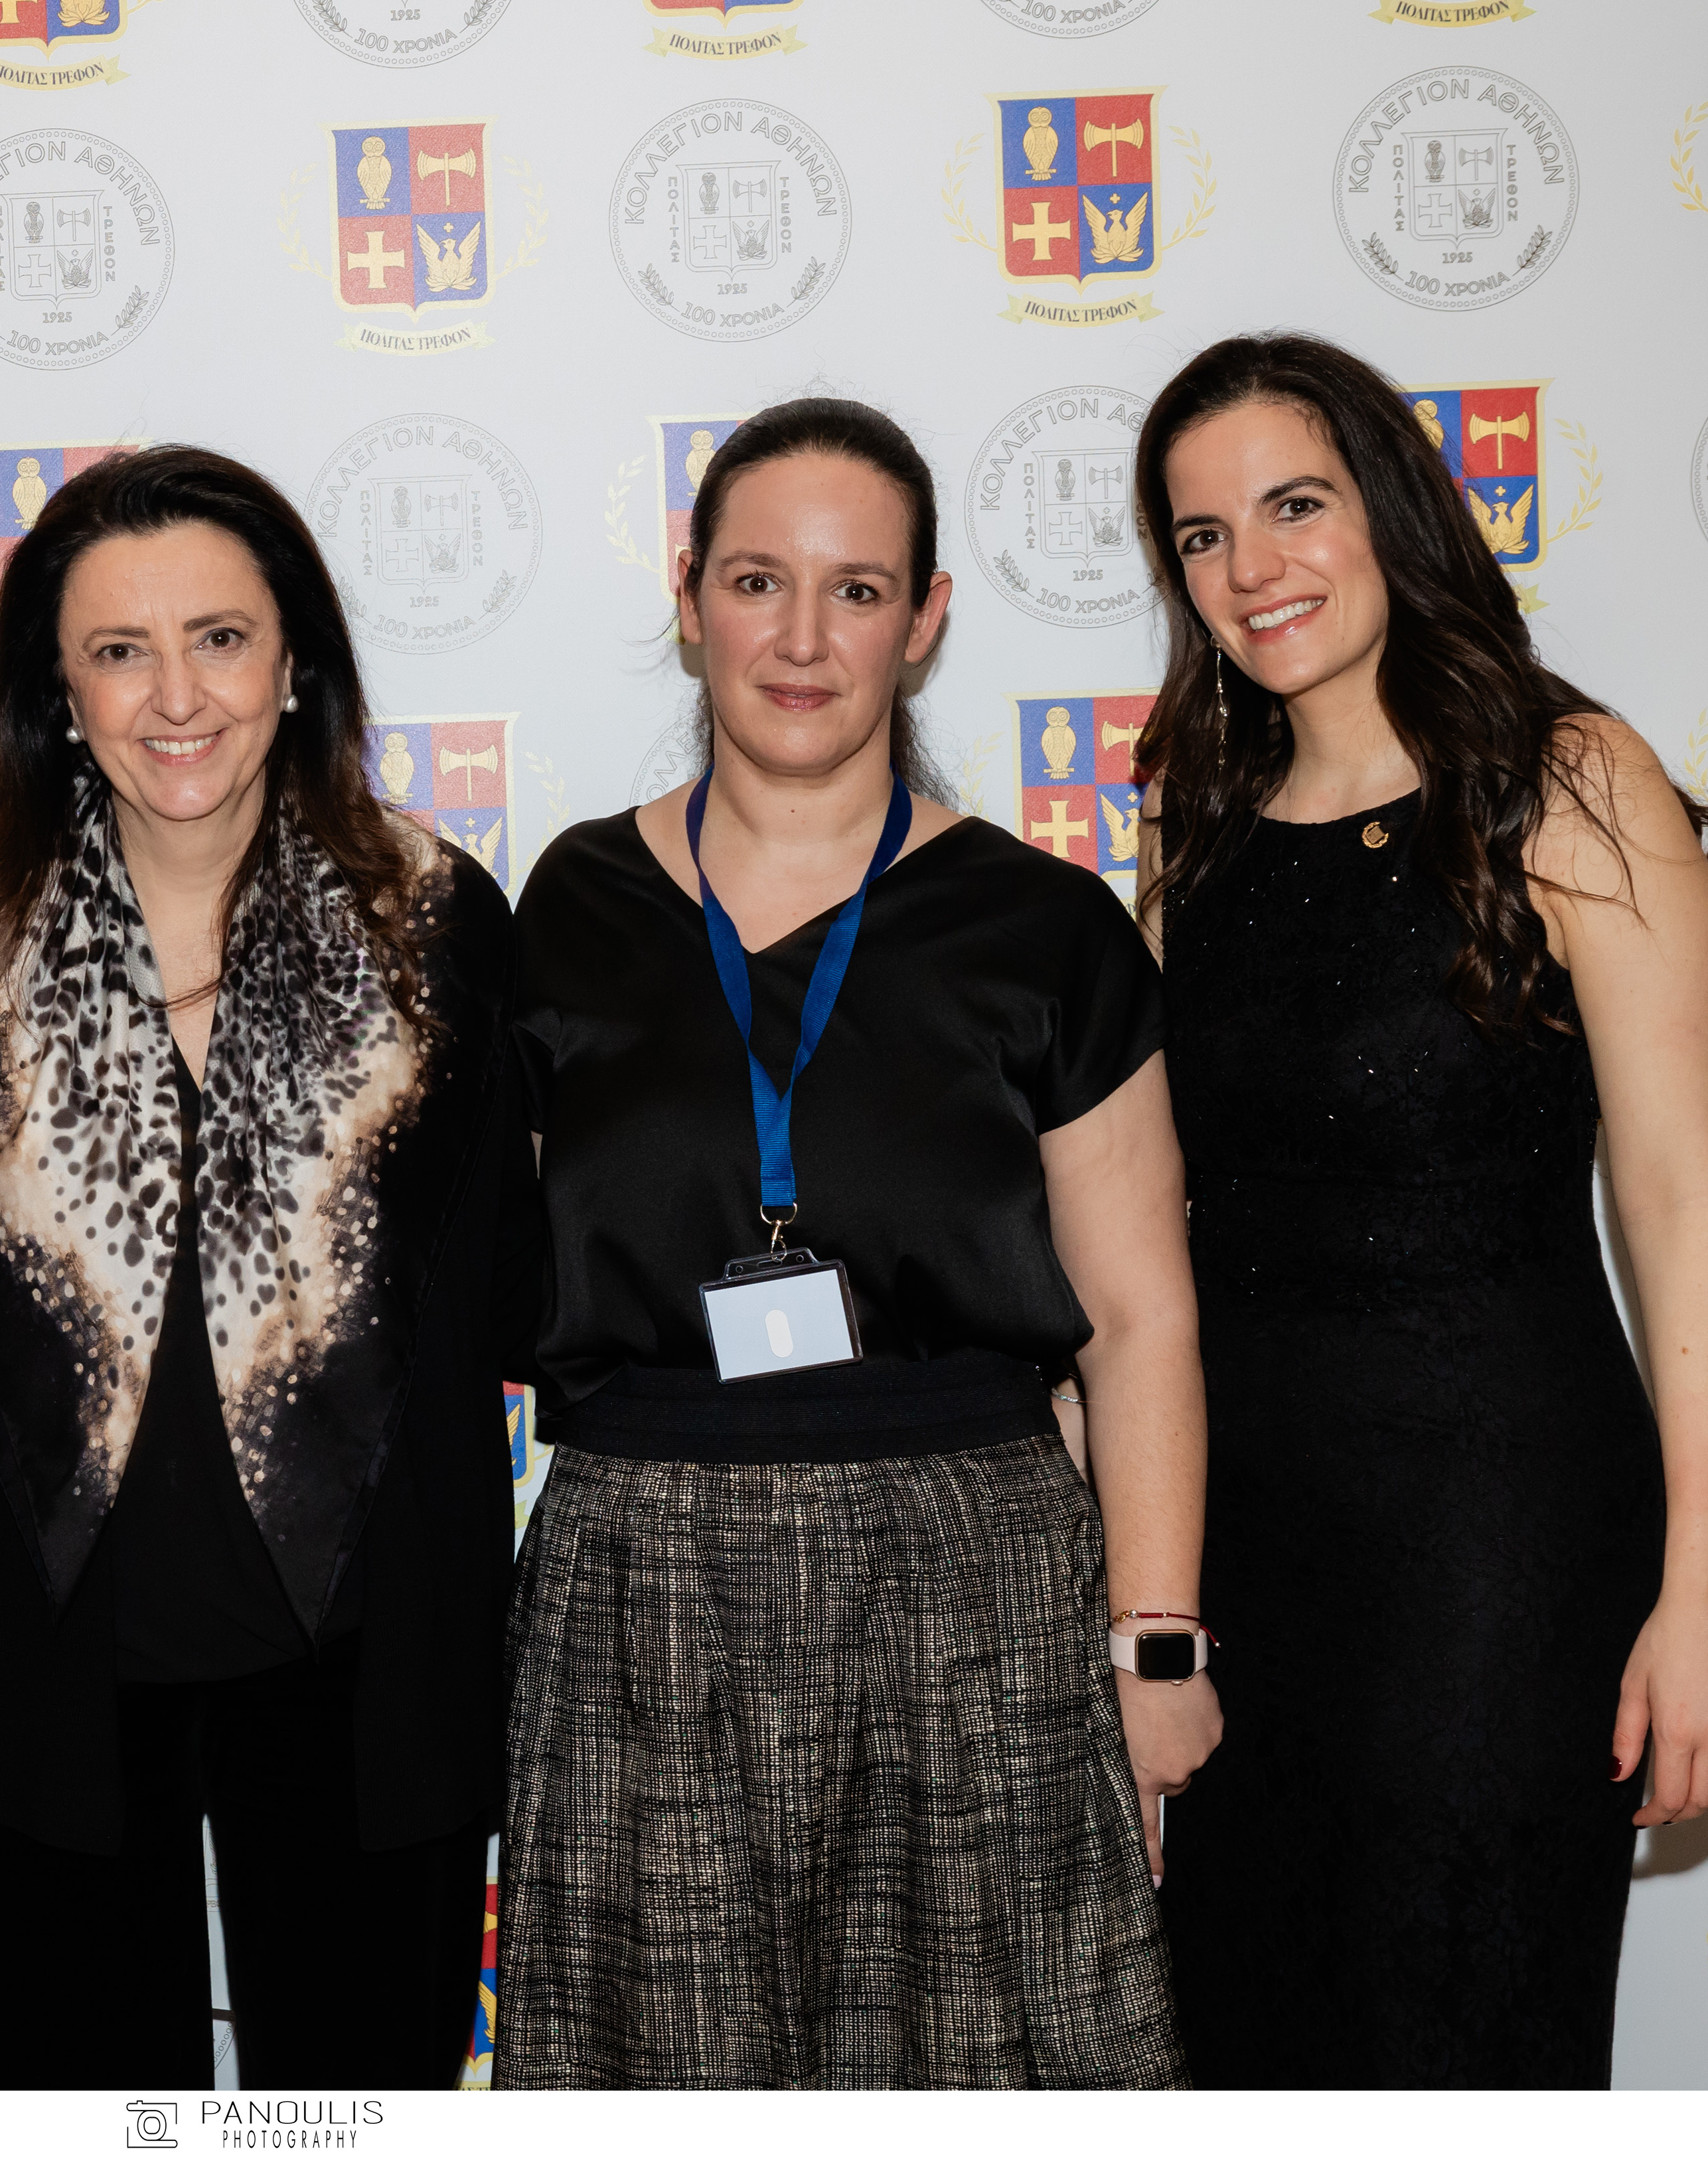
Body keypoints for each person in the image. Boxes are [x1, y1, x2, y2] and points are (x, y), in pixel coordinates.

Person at [499, 398, 1213, 2089]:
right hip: (640, 1577)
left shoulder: (1046, 926)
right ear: (690, 596)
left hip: (972, 1573)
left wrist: (1155, 1641)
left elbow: (1138, 1319)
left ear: (926, 616)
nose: (802, 638)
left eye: (857, 589)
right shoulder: (569, 904)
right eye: (757, 581)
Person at [1134, 334, 1708, 2087]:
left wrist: (1707, 1589)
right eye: (1201, 536)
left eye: (1293, 504)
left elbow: (1677, 1204)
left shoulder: (1564, 780)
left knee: (1464, 2041)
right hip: (1248, 1562)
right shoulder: (1195, 835)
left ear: (1392, 509)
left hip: (1495, 1556)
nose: (1251, 568)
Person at [0, 445, 537, 2089]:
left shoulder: (437, 926)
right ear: (58, 691)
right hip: (52, 1659)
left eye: (221, 638)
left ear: (294, 659)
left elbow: (495, 1279)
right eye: (119, 650)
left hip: (369, 1657)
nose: (175, 696)